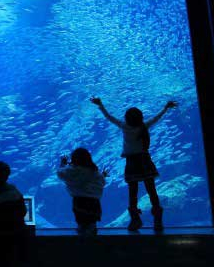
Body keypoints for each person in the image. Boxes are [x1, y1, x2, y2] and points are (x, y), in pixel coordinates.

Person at [90, 97, 177, 232]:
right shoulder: (143, 126)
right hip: (144, 160)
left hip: (131, 162)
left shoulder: (124, 126)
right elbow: (156, 118)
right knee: (151, 190)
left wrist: (100, 104)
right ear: (140, 117)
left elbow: (109, 117)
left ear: (127, 118)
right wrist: (165, 108)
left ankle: (135, 220)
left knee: (133, 192)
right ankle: (158, 220)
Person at [57, 148, 106, 236]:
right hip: (95, 202)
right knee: (92, 224)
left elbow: (60, 174)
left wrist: (63, 164)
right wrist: (103, 175)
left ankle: (82, 243)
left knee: (82, 225)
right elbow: (101, 182)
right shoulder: (94, 171)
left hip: (80, 201)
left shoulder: (73, 170)